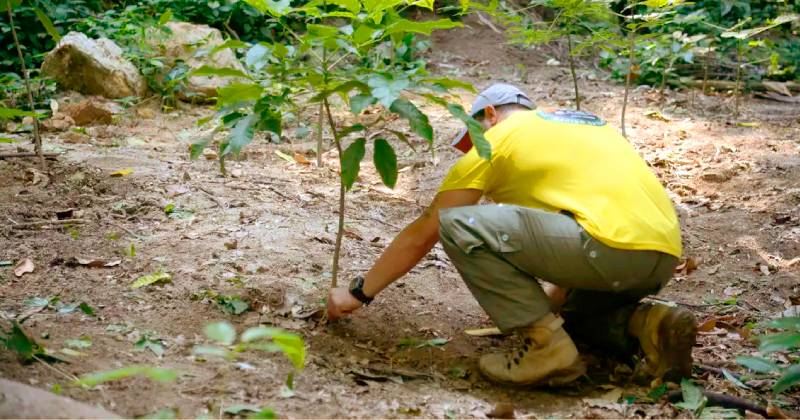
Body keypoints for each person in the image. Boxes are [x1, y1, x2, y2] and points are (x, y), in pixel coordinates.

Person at [326, 83, 697, 386]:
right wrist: (545, 307)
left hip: (605, 248)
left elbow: (426, 231)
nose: (473, 148)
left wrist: (358, 293)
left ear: (491, 114)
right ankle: (650, 325)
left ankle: (545, 349)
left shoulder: (499, 139)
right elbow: (579, 219)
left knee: (456, 223)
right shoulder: (582, 128)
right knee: (567, 316)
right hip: (659, 257)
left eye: (474, 135)